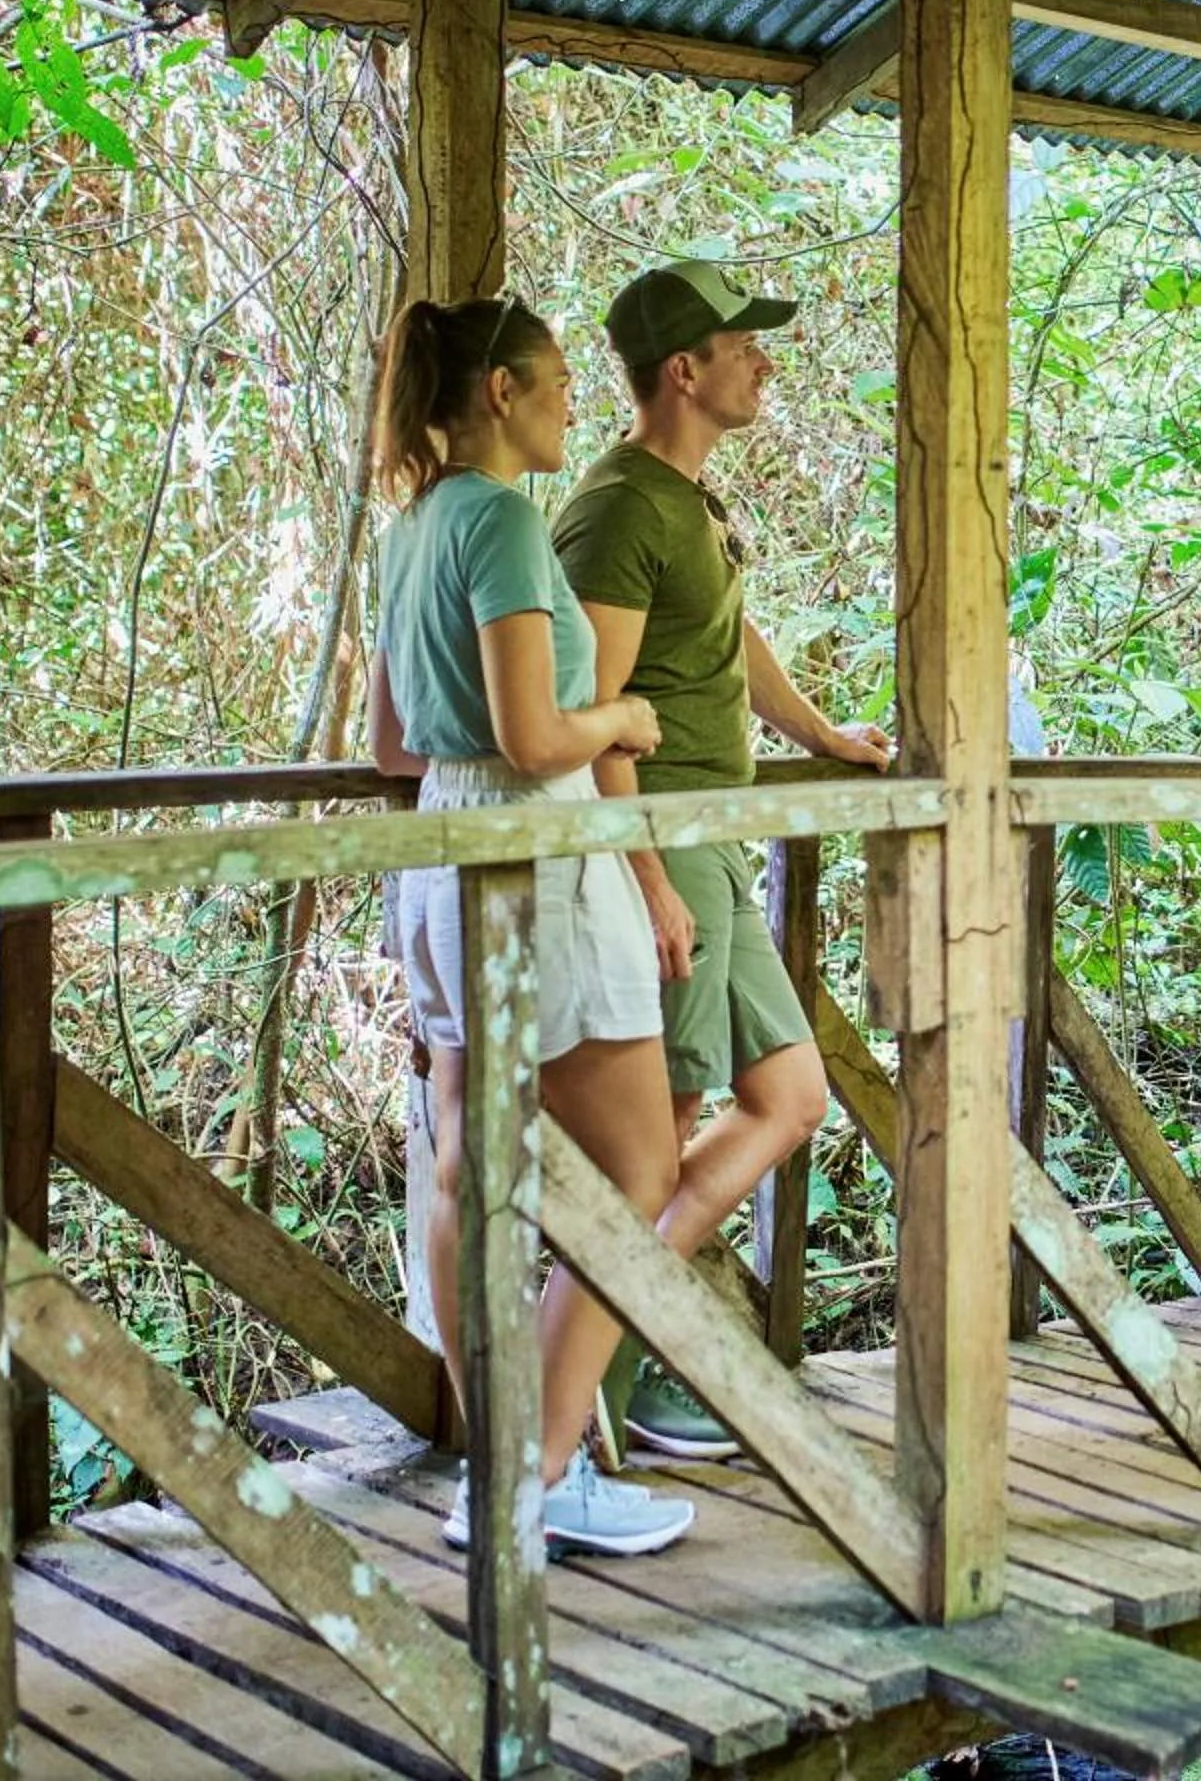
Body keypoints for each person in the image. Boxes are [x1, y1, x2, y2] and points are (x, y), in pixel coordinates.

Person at [366, 294, 694, 1556]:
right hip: (533, 846)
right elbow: (533, 735)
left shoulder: (414, 526)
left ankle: (498, 1456)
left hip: (442, 854)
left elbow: (394, 743)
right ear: (498, 390)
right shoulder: (501, 516)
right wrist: (619, 721)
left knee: (465, 1161)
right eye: (555, 379)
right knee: (638, 1166)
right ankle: (533, 1475)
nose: (572, 400)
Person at [552, 259, 891, 1458]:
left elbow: (727, 643)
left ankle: (626, 1346)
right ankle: (600, 1386)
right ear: (683, 370)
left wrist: (825, 737)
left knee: (792, 1095)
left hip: (714, 839)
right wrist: (643, 878)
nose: (766, 360)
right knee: (667, 1121)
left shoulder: (688, 502)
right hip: (663, 842)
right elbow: (589, 704)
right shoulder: (618, 505)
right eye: (743, 344)